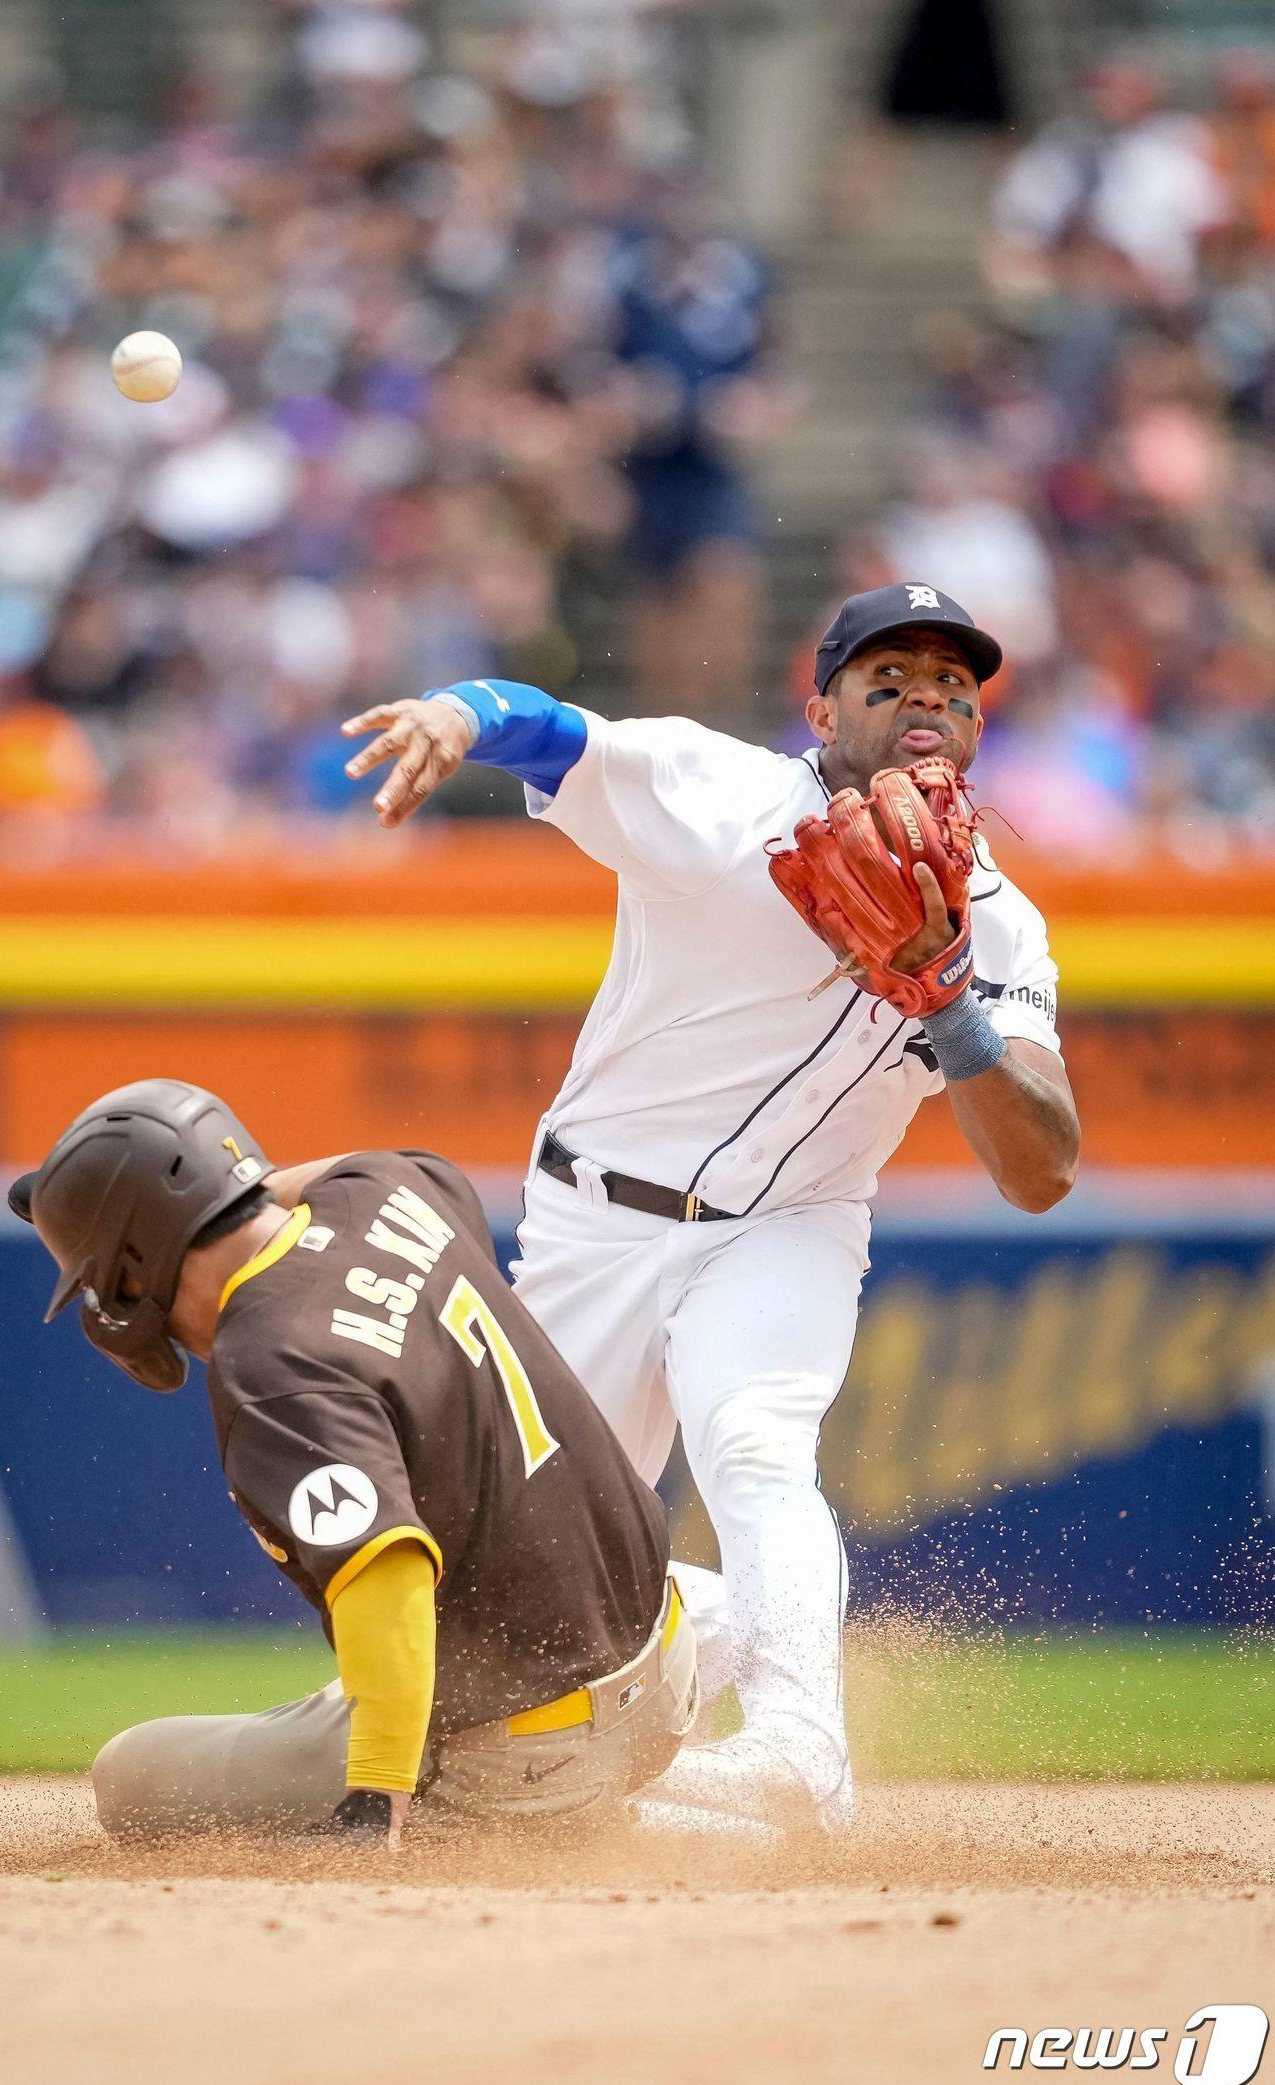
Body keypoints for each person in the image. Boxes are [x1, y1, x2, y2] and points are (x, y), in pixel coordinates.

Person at [341, 580, 1082, 1832]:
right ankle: (706, 1636)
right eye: (886, 676)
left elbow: (1040, 1166)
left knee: (752, 1443)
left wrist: (952, 1005)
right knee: (512, 1596)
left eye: (951, 683)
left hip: (786, 1229)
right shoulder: (716, 792)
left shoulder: (1002, 930)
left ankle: (800, 1749)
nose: (925, 697)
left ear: (974, 725)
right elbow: (555, 730)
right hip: (594, 1222)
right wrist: (461, 714)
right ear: (822, 706)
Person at [9, 1079, 696, 1847]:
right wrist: (212, 1183)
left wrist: (373, 1803)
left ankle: (522, 1824)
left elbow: (390, 1575)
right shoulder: (389, 1188)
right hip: (665, 1670)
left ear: (134, 1272)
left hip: (533, 1753)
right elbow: (353, 1170)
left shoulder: (272, 1361)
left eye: (104, 1278)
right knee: (376, 1682)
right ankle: (600, 1805)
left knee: (133, 1777)